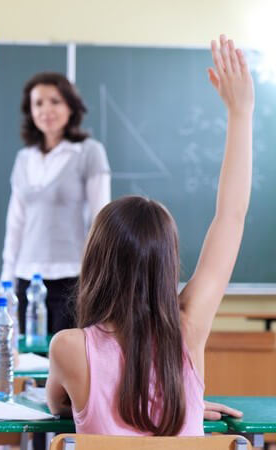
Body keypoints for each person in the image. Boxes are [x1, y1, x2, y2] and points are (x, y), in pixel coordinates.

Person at [46, 35, 253, 436]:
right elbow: (232, 217)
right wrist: (240, 114)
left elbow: (58, 404)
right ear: (167, 263)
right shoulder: (188, 332)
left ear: (96, 262)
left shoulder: (68, 348)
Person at [0, 72, 110, 335]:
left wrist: (97, 279)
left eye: (55, 101)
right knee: (30, 364)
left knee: (64, 363)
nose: (46, 110)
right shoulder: (24, 158)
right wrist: (8, 279)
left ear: (71, 106)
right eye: (38, 103)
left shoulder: (89, 152)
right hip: (27, 278)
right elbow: (15, 223)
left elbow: (101, 219)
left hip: (72, 278)